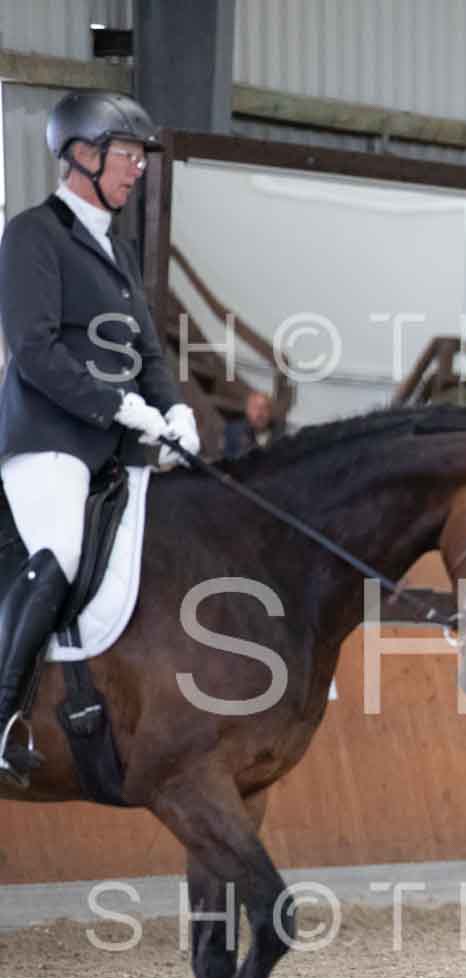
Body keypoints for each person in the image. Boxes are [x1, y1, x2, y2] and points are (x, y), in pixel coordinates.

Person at [0, 90, 199, 767]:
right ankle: (3, 715)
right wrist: (114, 404)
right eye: (128, 155)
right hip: (48, 440)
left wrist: (174, 409)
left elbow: (147, 351)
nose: (138, 168)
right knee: (58, 550)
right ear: (82, 154)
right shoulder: (33, 234)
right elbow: (34, 349)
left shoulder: (118, 249)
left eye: (142, 157)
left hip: (117, 448)